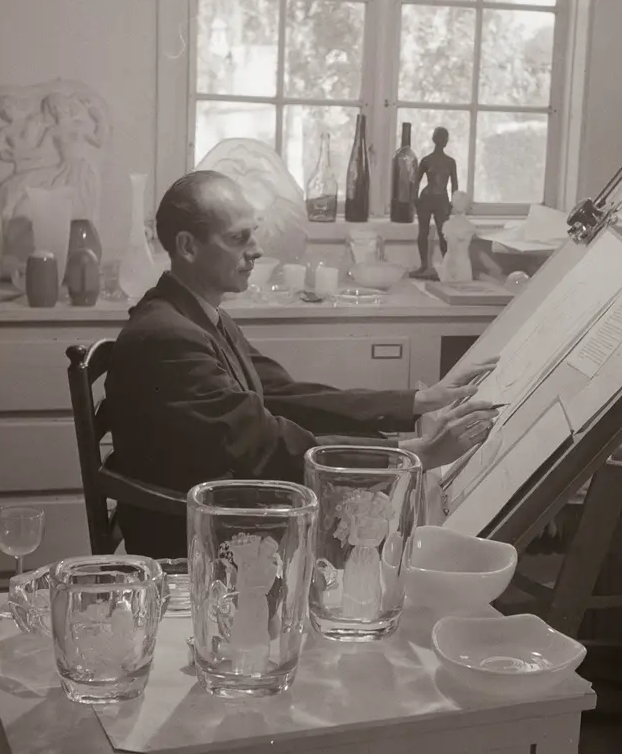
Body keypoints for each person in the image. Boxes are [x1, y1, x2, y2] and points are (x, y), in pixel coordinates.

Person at [105, 170, 499, 557]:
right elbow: (266, 444)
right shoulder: (170, 338)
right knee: (378, 534)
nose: (256, 249)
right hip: (196, 535)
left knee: (376, 508)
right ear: (188, 247)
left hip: (225, 509)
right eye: (239, 238)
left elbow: (285, 395)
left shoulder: (197, 315)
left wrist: (417, 402)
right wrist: (413, 456)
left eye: (253, 233)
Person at [411, 127, 459, 279]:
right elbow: (415, 181)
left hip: (442, 201)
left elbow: (455, 184)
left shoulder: (450, 162)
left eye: (444, 138)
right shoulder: (426, 160)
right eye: (440, 138)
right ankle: (424, 265)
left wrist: (453, 203)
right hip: (426, 199)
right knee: (423, 232)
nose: (442, 141)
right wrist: (415, 199)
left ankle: (446, 266)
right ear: (434, 140)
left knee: (443, 234)